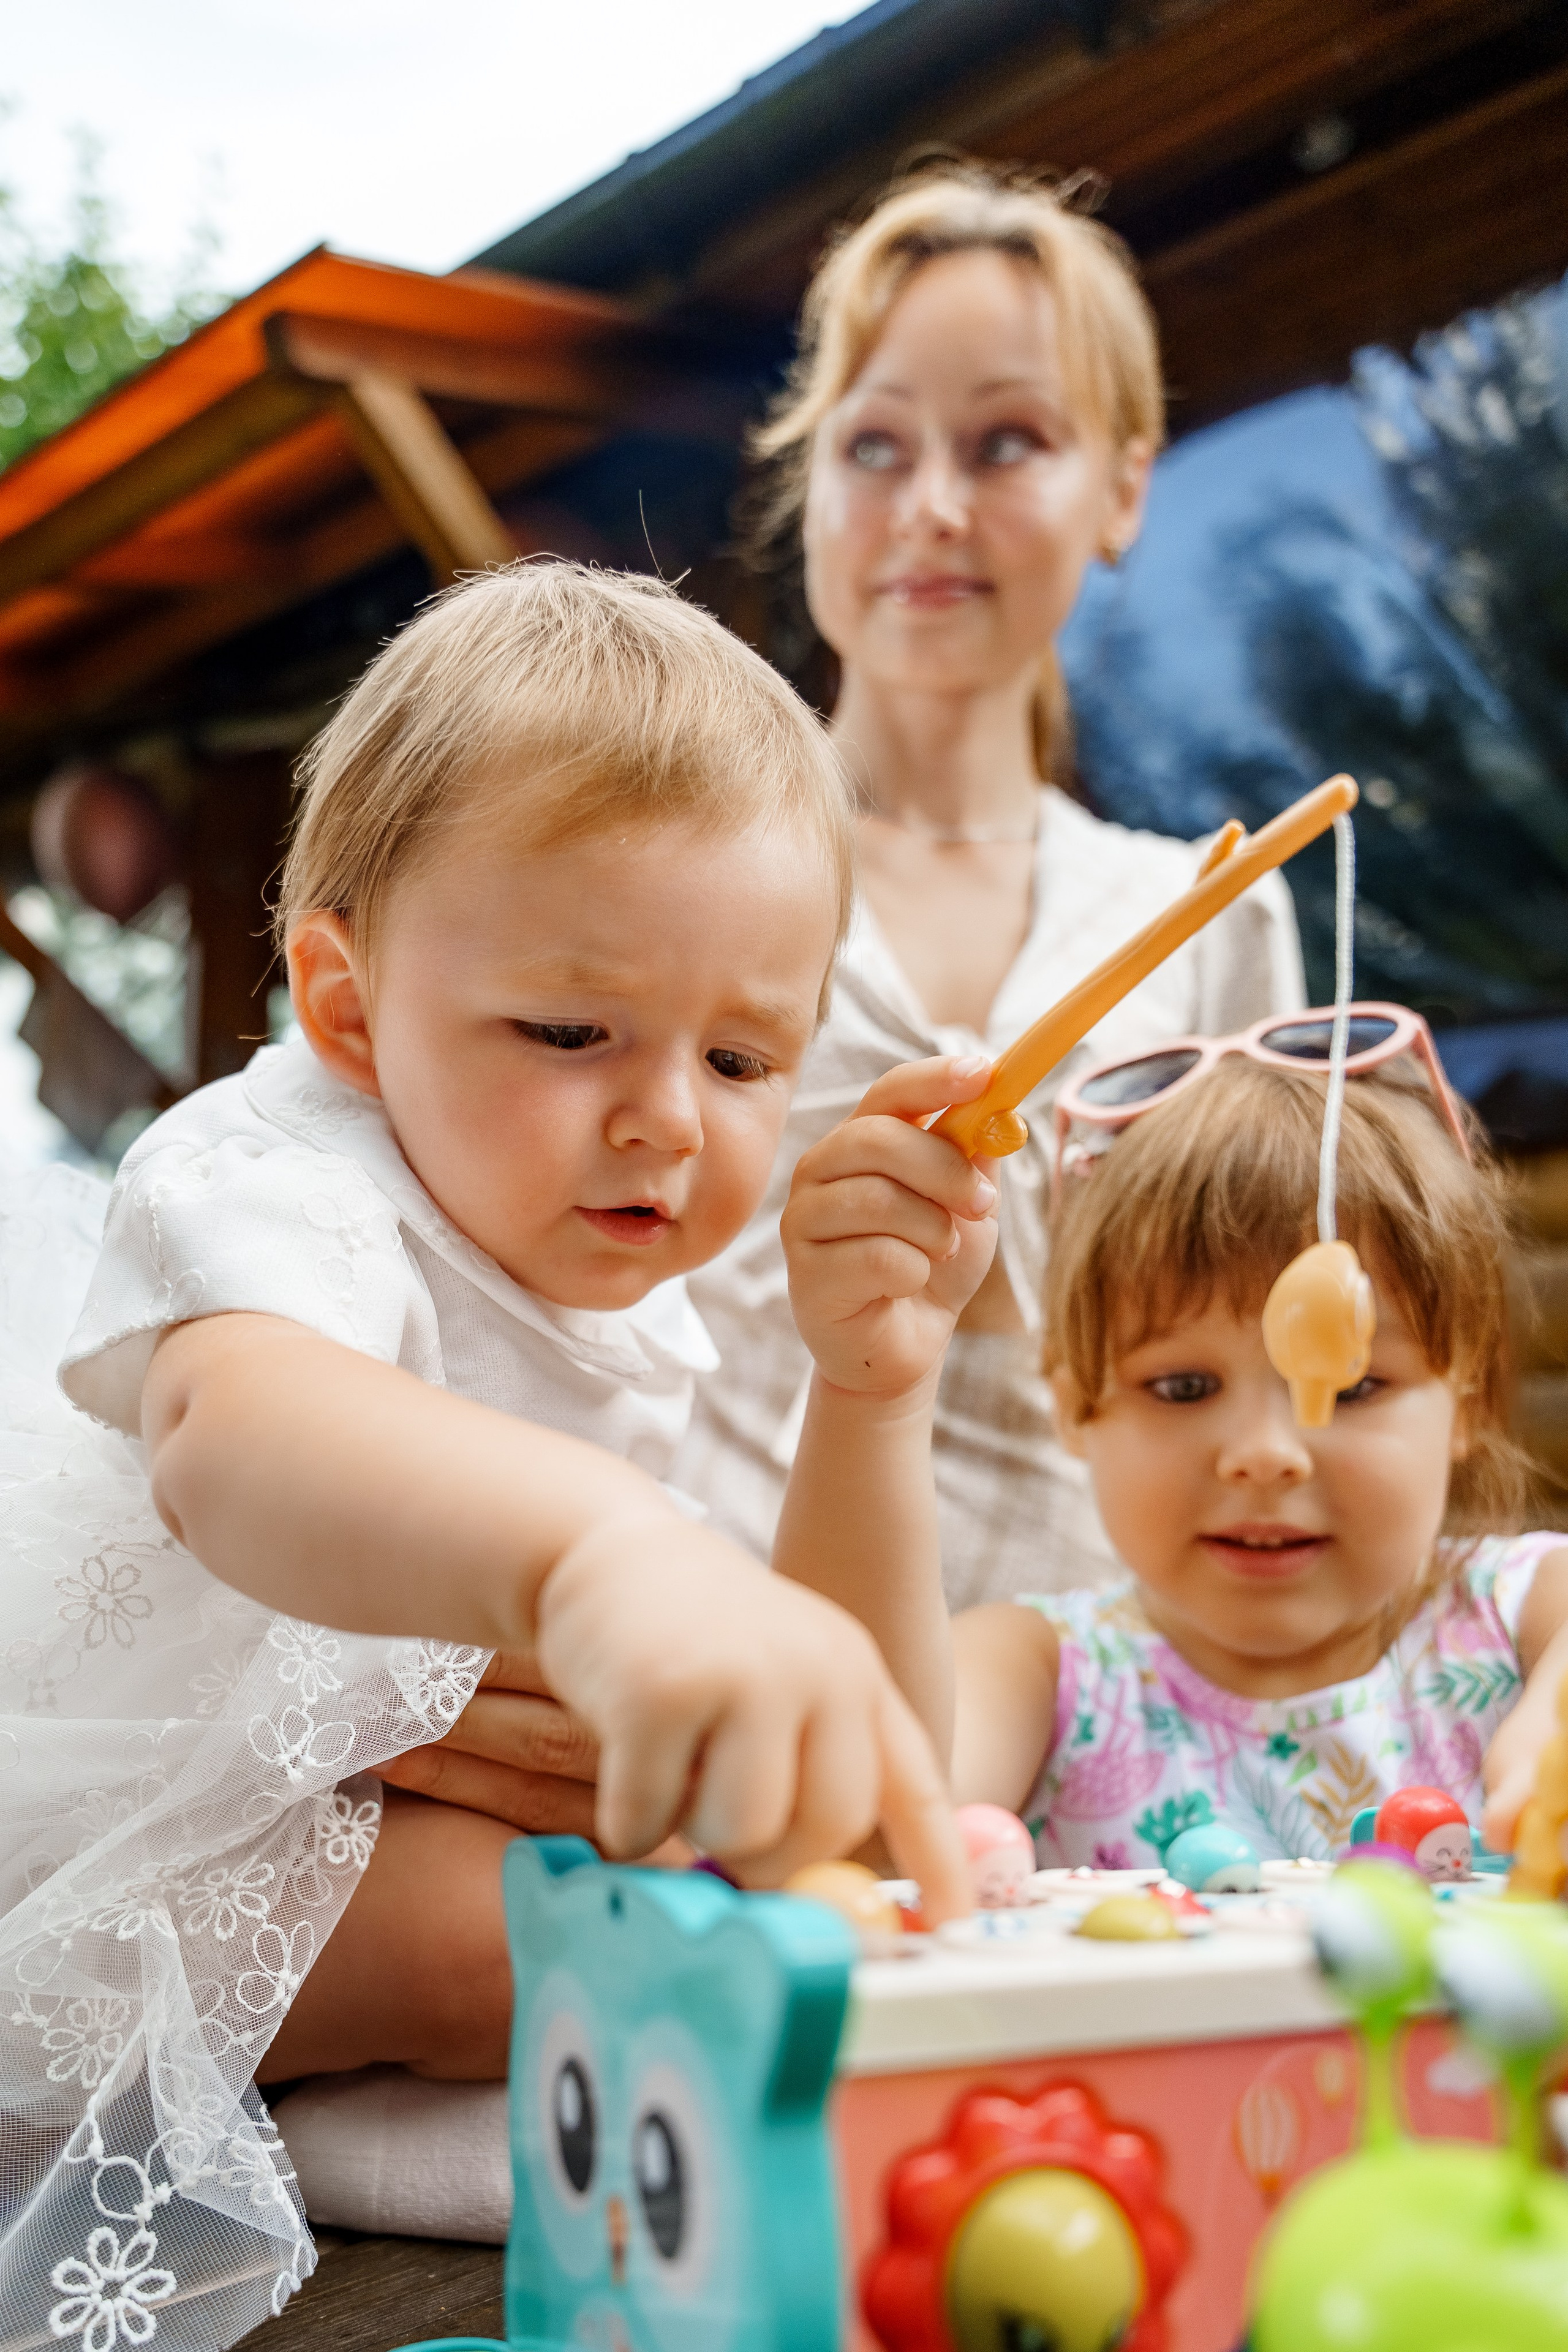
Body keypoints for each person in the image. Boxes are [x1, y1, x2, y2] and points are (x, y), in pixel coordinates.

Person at [0, 562, 984, 2352]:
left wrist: (871, 1391)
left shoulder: (612, 1277)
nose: (668, 1116)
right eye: (568, 1030)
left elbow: (854, 1749)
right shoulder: (283, 1172)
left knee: (799, 1870)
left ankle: (423, 2124)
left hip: (349, 1856)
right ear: (349, 1003)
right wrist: (606, 1555)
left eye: (748, 1054)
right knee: (532, 1932)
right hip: (92, 1845)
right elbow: (237, 1438)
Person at [671, 162, 1306, 1616]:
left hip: (1094, 1696)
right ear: (810, 477)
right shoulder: (669, 865)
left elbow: (1273, 1359)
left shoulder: (1213, 913)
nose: (932, 507)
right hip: (711, 1673)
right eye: (875, 446)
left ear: (1122, 486)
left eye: (1006, 440)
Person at [945, 1025, 1568, 1864]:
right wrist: (867, 1395)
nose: (1268, 1453)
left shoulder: (1524, 1610)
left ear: (1469, 1403)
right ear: (1074, 1406)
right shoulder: (1035, 1672)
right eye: (1183, 1387)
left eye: (1349, 1386)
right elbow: (880, 1818)